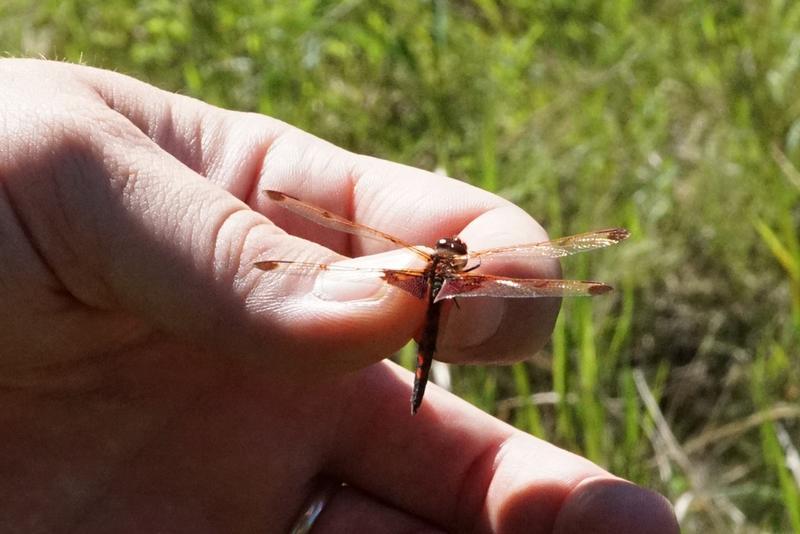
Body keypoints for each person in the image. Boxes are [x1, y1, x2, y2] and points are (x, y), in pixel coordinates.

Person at [0, 59, 678, 533]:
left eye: (454, 256)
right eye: (451, 254)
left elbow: (551, 272)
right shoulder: (423, 267)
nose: (451, 255)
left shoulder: (441, 273)